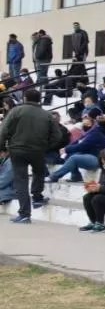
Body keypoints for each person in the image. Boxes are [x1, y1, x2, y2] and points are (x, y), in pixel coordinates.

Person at [0, 88, 59, 223]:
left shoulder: (16, 111)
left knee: (21, 180)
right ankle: (37, 197)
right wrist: (46, 146)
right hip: (38, 150)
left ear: (25, 98)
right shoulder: (47, 115)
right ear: (39, 99)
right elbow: (57, 136)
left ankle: (25, 213)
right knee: (39, 172)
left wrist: (2, 147)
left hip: (17, 150)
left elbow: (3, 130)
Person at [47, 115, 105, 182]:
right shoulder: (88, 133)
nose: (83, 120)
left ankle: (54, 176)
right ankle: (76, 176)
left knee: (74, 158)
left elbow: (82, 146)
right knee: (70, 154)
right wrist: (66, 149)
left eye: (86, 119)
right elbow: (76, 142)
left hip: (98, 159)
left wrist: (66, 149)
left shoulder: (96, 133)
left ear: (92, 122)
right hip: (90, 155)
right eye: (83, 119)